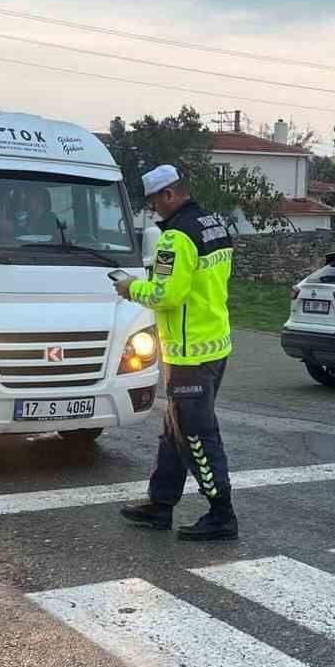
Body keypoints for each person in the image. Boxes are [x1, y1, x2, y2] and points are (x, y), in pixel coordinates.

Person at [117, 165, 237, 541]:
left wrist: (131, 288)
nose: (153, 210)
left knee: (197, 434)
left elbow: (165, 295)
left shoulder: (175, 238)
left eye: (154, 203)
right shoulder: (214, 225)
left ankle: (222, 514)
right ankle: (160, 504)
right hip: (215, 344)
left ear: (169, 195)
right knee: (175, 430)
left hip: (189, 354)